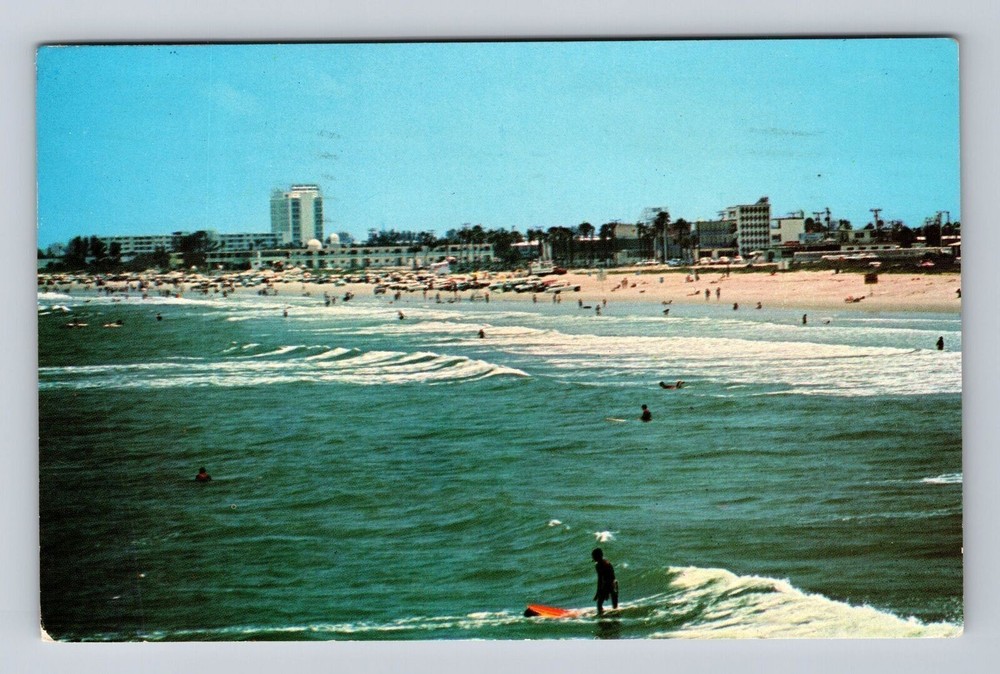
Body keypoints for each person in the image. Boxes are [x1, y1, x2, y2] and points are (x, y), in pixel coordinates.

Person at [591, 548, 618, 615]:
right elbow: (600, 579)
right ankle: (605, 617)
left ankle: (613, 617)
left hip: (611, 583)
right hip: (608, 584)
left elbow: (611, 577)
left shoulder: (605, 564)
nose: (593, 558)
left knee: (612, 604)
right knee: (600, 604)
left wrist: (600, 592)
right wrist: (599, 592)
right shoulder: (598, 565)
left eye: (594, 557)